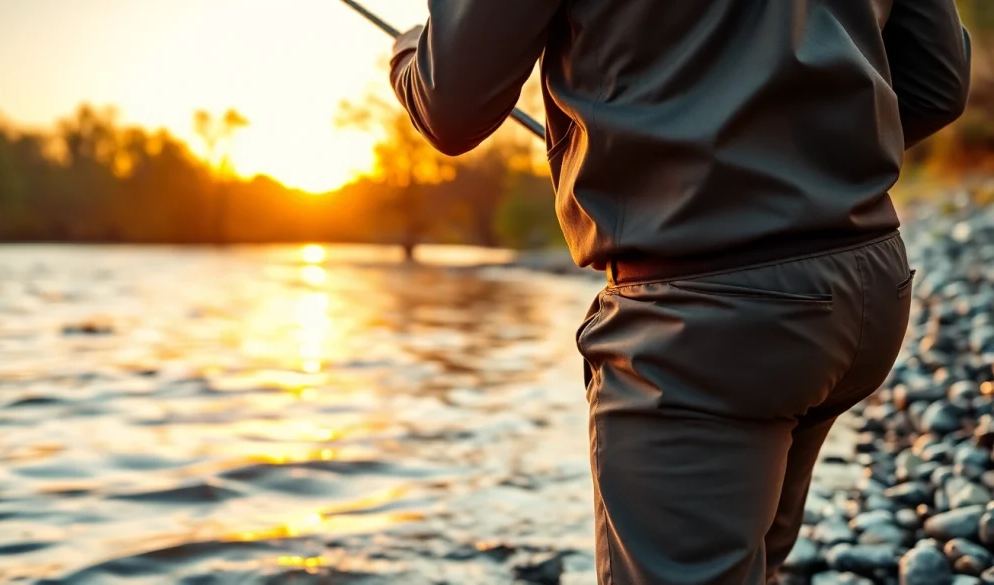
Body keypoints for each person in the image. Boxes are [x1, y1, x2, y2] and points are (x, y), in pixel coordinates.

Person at [387, 1, 971, 583]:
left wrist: (410, 52)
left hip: (705, 325)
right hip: (865, 287)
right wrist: (801, 160)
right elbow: (936, 81)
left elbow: (451, 106)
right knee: (751, 561)